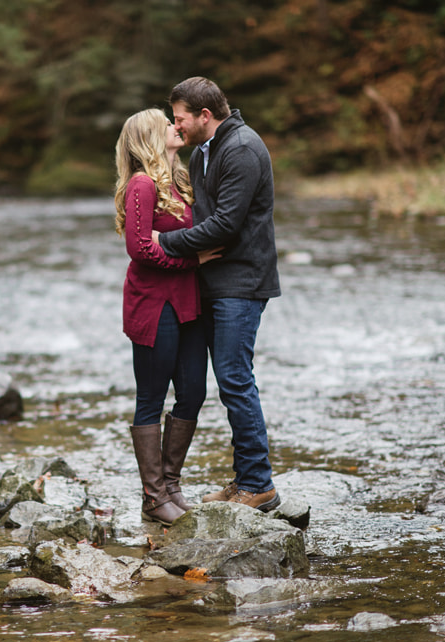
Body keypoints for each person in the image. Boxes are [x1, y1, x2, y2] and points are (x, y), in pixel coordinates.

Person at [153, 76, 282, 512]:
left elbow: (226, 224)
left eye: (181, 119)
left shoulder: (241, 149)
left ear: (205, 116)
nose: (177, 126)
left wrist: (164, 243)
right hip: (216, 280)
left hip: (241, 283)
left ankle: (258, 485)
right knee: (230, 381)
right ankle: (245, 477)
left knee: (234, 380)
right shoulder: (207, 150)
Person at [114, 108, 222, 526]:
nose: (175, 126)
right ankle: (153, 496)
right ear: (149, 138)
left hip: (187, 304)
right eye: (166, 123)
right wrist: (192, 260)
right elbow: (140, 249)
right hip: (153, 304)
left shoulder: (180, 181)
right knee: (151, 398)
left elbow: (171, 239)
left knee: (193, 391)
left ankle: (171, 485)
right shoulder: (142, 184)